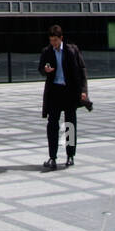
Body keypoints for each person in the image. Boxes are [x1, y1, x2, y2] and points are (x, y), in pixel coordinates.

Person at [39, 25, 89, 171]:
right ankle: (52, 157)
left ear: (61, 38)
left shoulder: (72, 50)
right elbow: (41, 68)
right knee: (52, 125)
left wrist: (83, 91)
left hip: (69, 92)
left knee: (70, 124)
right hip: (54, 92)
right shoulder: (47, 51)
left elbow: (82, 70)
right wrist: (45, 70)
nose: (53, 43)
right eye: (51, 40)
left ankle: (70, 155)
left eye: (55, 40)